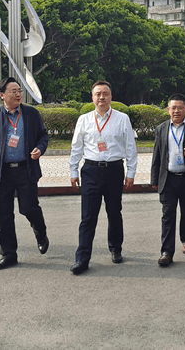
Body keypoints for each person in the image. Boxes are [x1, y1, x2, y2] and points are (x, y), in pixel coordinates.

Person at [0, 77, 50, 271]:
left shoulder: (31, 114)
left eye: (19, 91)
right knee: (4, 215)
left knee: (29, 208)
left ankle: (40, 232)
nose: (18, 94)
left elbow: (43, 135)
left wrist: (40, 149)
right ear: (2, 96)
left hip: (26, 169)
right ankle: (8, 254)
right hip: (3, 172)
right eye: (13, 91)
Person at [68, 81, 138, 275]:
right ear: (92, 97)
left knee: (114, 212)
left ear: (111, 96)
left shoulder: (122, 118)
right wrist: (73, 171)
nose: (101, 97)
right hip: (91, 170)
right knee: (88, 217)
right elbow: (76, 147)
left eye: (105, 93)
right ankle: (82, 258)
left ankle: (116, 248)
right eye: (97, 94)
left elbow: (130, 147)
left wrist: (131, 173)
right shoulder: (84, 119)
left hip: (114, 170)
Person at [150, 94, 185, 266]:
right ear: (168, 110)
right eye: (173, 108)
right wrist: (154, 178)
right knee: (167, 215)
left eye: (180, 107)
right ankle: (166, 251)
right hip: (168, 178)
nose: (176, 111)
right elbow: (157, 154)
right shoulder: (161, 128)